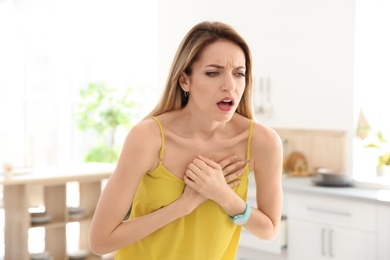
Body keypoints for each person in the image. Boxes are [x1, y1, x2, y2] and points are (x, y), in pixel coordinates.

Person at [89, 21, 283, 260]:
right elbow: (100, 241)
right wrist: (184, 205)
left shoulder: (261, 142)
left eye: (239, 73)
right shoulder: (148, 138)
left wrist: (223, 195)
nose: (230, 85)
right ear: (184, 81)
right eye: (213, 73)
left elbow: (269, 230)